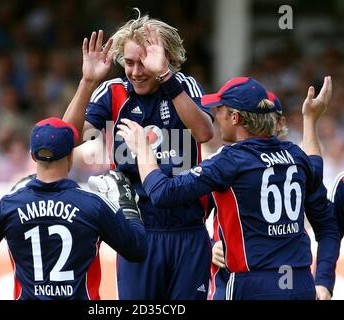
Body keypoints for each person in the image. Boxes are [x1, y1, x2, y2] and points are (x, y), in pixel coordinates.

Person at [117, 76, 341, 300]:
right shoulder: (296, 155)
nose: (215, 116)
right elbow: (328, 225)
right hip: (300, 284)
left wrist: (143, 150)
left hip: (253, 285)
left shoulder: (230, 160)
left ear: (235, 117)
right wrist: (323, 281)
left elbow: (163, 193)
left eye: (219, 110)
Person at [63, 9, 214, 299]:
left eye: (144, 63)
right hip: (137, 232)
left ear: (164, 58)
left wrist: (167, 77)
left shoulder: (184, 85)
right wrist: (87, 82)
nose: (135, 72)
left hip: (188, 229)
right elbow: (65, 139)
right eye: (129, 63)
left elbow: (204, 133)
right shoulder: (113, 92)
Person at [0, 117, 147, 300]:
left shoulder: (10, 205)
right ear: (70, 156)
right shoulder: (93, 205)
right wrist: (127, 205)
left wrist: (5, 207)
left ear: (32, 156)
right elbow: (137, 249)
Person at [209, 79, 338, 300]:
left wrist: (323, 282)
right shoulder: (223, 164)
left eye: (269, 117)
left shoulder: (297, 163)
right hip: (231, 280)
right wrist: (210, 245)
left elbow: (326, 223)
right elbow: (188, 212)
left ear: (279, 123)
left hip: (283, 282)